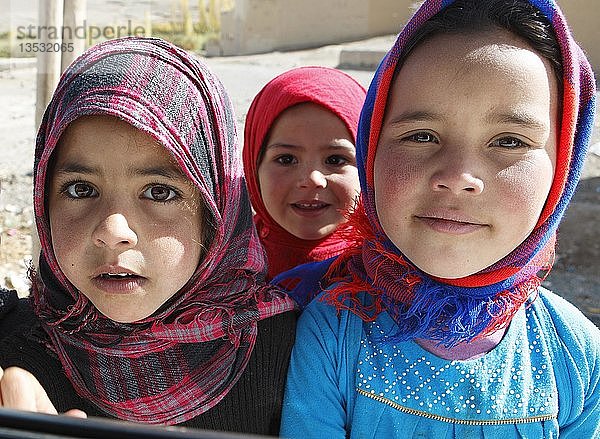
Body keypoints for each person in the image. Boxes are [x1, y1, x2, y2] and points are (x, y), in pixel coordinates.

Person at [280, 0, 600, 437]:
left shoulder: (577, 355)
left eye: (509, 140)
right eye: (422, 135)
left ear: (562, 169)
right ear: (371, 149)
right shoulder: (332, 333)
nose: (457, 178)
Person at [0, 36, 297, 434]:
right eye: (80, 189)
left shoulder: (296, 356)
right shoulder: (16, 350)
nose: (113, 232)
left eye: (160, 192)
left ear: (217, 212)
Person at [243, 67, 365, 286]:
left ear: (368, 167)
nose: (312, 179)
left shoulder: (396, 275)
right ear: (253, 167)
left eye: (335, 160)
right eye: (286, 159)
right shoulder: (219, 272)